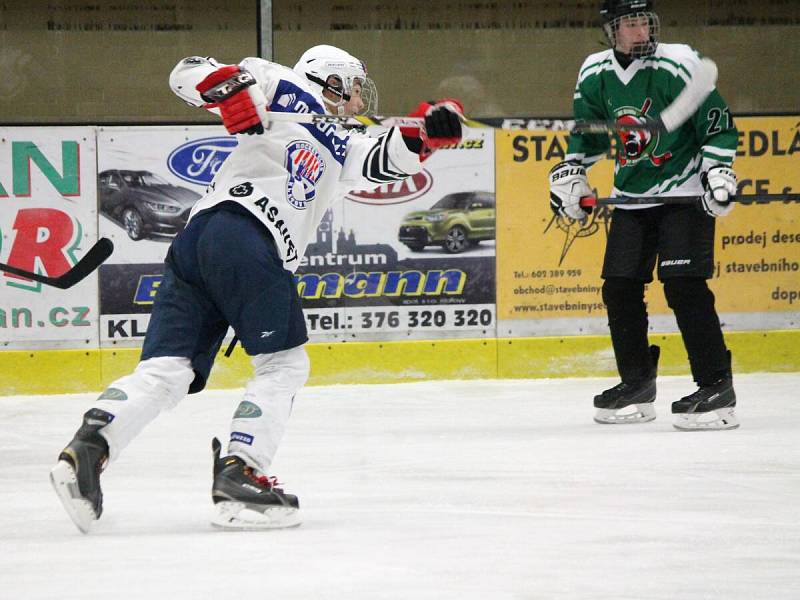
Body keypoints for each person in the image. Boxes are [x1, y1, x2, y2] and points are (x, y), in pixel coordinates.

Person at [50, 45, 464, 532]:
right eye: (351, 85)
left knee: (166, 371)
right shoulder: (282, 85)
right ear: (329, 80)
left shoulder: (345, 143)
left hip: (199, 242)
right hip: (249, 236)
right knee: (284, 364)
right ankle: (242, 472)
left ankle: (87, 451)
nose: (357, 98)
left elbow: (391, 157)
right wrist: (228, 89)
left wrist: (433, 130)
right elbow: (188, 71)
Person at [548, 0, 739, 431]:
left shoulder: (678, 62)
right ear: (611, 30)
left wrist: (717, 173)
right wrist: (573, 174)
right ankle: (636, 383)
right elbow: (589, 132)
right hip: (631, 197)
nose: (640, 32)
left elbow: (716, 123)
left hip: (684, 197)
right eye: (630, 24)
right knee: (618, 288)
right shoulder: (594, 71)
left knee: (684, 287)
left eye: (644, 23)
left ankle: (716, 386)